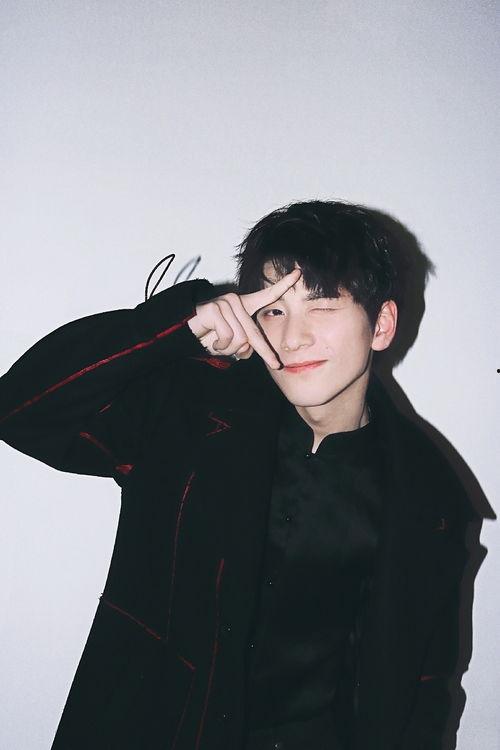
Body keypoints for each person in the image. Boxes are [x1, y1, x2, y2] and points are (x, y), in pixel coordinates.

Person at [0, 200, 470, 749]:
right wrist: (177, 326)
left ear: (381, 325)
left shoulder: (429, 495)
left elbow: (426, 686)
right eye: (273, 310)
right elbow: (21, 411)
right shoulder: (192, 413)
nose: (292, 337)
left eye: (321, 307)